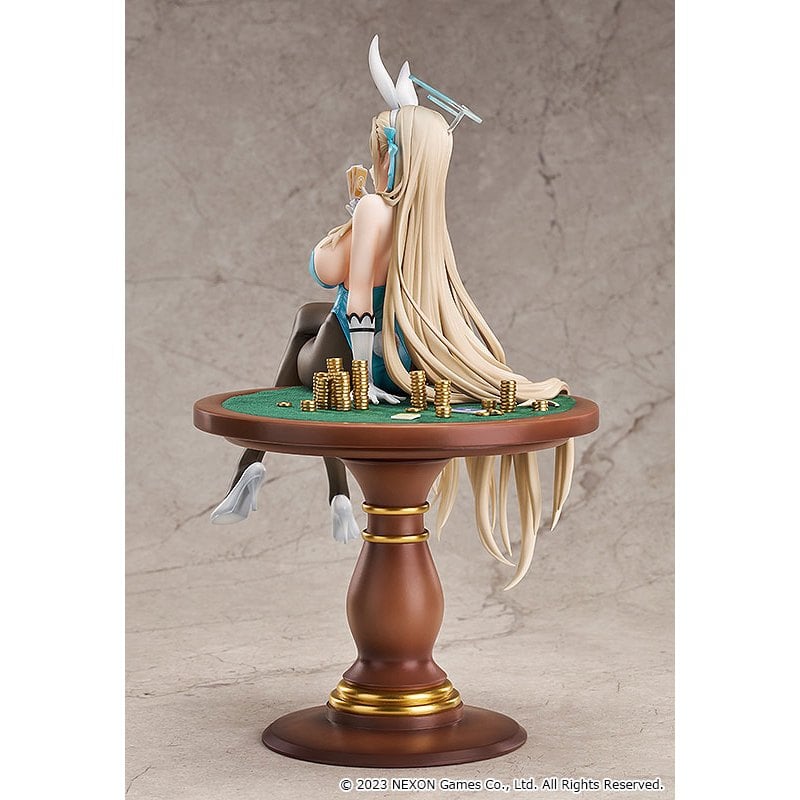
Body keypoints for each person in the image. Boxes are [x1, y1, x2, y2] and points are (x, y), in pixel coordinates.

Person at [211, 36, 575, 588]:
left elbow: (350, 287)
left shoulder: (375, 209)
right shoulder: (421, 219)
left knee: (308, 336)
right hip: (401, 359)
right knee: (307, 315)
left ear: (391, 153)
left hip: (352, 361)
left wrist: (361, 379)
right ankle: (292, 480)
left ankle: (266, 472)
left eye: (379, 148)